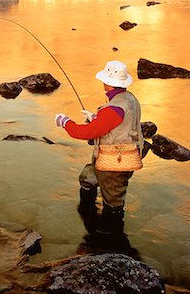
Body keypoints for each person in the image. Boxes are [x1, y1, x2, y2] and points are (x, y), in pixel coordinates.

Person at [55, 60, 143, 241]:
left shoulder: (114, 108)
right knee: (88, 177)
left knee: (113, 200)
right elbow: (118, 124)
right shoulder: (129, 98)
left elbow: (85, 132)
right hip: (113, 154)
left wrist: (65, 122)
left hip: (115, 161)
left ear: (108, 82)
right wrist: (95, 117)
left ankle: (110, 236)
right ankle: (86, 212)